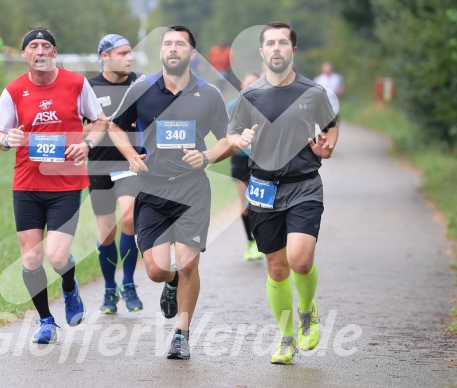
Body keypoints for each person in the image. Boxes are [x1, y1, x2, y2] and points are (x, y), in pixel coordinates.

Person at [108, 25, 231, 360]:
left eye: (180, 44)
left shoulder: (209, 95)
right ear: (161, 52)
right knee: (156, 270)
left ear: (193, 54)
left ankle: (182, 333)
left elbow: (227, 139)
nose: (173, 48)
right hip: (152, 189)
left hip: (192, 190)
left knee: (190, 263)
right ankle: (171, 281)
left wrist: (206, 156)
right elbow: (116, 126)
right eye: (167, 44)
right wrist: (131, 155)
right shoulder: (142, 89)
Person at [227, 22, 338, 365]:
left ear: (293, 50)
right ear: (262, 52)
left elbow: (331, 127)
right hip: (263, 187)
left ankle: (307, 311)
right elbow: (232, 136)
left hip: (304, 184)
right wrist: (239, 141)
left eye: (283, 43)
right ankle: (287, 337)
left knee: (300, 259)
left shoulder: (314, 92)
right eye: (270, 43)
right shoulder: (250, 95)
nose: (276, 48)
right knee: (276, 269)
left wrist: (328, 146)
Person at [0, 27, 108, 344]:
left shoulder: (76, 84)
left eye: (45, 45)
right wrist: (6, 139)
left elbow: (99, 121)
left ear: (55, 52)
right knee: (30, 258)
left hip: (65, 182)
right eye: (33, 46)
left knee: (57, 257)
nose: (39, 51)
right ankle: (45, 320)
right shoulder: (14, 90)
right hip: (27, 184)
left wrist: (86, 144)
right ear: (24, 54)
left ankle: (69, 285)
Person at [85, 34, 143, 314]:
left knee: (129, 218)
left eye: (130, 52)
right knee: (106, 233)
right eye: (122, 53)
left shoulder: (141, 84)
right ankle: (110, 289)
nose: (129, 58)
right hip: (98, 166)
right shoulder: (89, 88)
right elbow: (76, 129)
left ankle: (129, 283)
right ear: (105, 56)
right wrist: (99, 126)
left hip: (129, 165)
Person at [226, 71, 262, 261]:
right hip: (240, 158)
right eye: (248, 84)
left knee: (260, 202)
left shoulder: (266, 105)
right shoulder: (233, 106)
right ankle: (250, 242)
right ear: (242, 85)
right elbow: (225, 132)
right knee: (245, 204)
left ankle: (263, 239)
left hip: (261, 159)